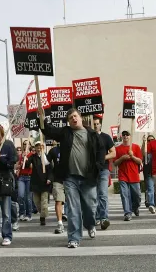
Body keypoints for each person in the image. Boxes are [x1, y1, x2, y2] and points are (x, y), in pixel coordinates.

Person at [39, 107, 105, 249]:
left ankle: (90, 224)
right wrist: (42, 119)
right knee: (73, 209)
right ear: (68, 122)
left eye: (75, 116)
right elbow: (49, 131)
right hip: (70, 178)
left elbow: (101, 150)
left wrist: (99, 165)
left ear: (80, 117)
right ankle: (74, 238)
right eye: (70, 118)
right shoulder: (66, 132)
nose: (73, 119)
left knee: (90, 207)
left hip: (88, 178)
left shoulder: (92, 134)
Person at [113, 130, 142, 221]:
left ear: (130, 136)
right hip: (123, 176)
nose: (125, 136)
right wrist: (122, 158)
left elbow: (140, 161)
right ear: (122, 137)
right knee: (124, 195)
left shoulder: (136, 147)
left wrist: (132, 156)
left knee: (137, 196)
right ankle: (127, 213)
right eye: (124, 135)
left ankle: (135, 207)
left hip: (134, 176)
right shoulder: (118, 149)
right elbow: (115, 163)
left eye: (127, 135)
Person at [92, 117, 115, 230]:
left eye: (97, 124)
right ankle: (96, 217)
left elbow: (113, 153)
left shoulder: (106, 137)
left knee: (103, 194)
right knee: (93, 195)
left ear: (100, 125)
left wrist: (103, 158)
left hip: (103, 169)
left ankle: (104, 218)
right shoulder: (89, 137)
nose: (96, 126)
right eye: (94, 124)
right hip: (91, 170)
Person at [25, 141, 51, 226]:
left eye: (40, 146)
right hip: (35, 182)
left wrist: (50, 178)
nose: (39, 148)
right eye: (37, 146)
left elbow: (50, 169)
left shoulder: (46, 156)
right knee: (36, 202)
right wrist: (25, 158)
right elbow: (27, 165)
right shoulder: (33, 157)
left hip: (44, 182)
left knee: (44, 202)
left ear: (42, 147)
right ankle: (41, 213)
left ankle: (42, 217)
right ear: (35, 148)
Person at [47, 140, 66, 233]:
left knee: (74, 202)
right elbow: (46, 162)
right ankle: (60, 223)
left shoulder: (73, 148)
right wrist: (42, 152)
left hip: (71, 179)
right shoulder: (54, 150)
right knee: (58, 200)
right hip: (58, 179)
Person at [16, 141, 33, 221]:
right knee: (20, 196)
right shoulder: (20, 155)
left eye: (27, 144)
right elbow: (16, 166)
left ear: (30, 145)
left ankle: (28, 214)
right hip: (21, 177)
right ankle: (22, 213)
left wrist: (27, 160)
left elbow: (32, 166)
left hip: (29, 177)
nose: (26, 145)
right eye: (24, 144)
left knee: (28, 197)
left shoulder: (32, 155)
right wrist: (21, 160)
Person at [141, 134, 156, 213]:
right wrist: (144, 142)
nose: (150, 142)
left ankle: (155, 204)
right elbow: (143, 153)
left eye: (152, 140)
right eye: (149, 140)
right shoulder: (146, 149)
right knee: (150, 188)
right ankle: (151, 204)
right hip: (148, 172)